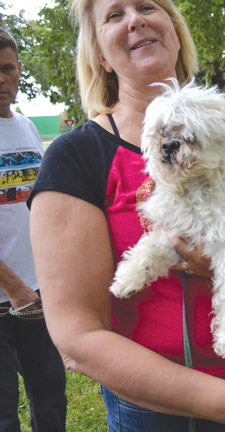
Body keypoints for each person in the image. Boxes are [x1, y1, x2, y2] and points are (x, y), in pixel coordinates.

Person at [27, 1, 225, 431]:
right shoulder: (75, 157)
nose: (135, 19)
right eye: (114, 15)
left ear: (175, 31)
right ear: (99, 54)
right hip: (152, 412)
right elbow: (77, 338)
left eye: (146, 6)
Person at [0, 27, 67, 432]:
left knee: (50, 393)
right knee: (4, 413)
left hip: (36, 292)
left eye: (7, 68)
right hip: (9, 295)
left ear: (19, 70)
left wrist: (41, 282)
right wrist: (13, 287)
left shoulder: (25, 128)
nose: (0, 79)